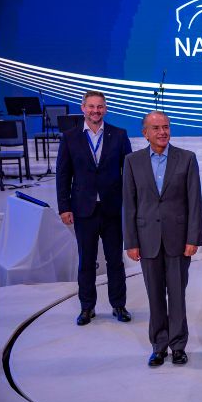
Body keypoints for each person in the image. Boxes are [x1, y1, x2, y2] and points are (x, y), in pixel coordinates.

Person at [123, 111, 202, 367]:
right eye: (156, 128)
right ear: (145, 133)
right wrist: (131, 242)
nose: (162, 132)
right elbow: (130, 205)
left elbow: (195, 203)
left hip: (178, 240)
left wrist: (193, 238)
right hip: (147, 240)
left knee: (177, 295)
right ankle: (159, 346)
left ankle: (178, 346)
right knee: (154, 295)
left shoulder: (187, 159)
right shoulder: (132, 161)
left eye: (166, 127)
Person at [56, 91, 133, 326]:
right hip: (83, 209)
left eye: (100, 107)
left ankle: (118, 305)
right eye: (91, 107)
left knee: (115, 261)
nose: (95, 111)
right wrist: (64, 207)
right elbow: (63, 174)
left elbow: (129, 174)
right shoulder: (69, 138)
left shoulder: (119, 135)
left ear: (105, 109)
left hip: (112, 209)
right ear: (83, 108)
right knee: (86, 261)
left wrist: (130, 206)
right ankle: (87, 308)